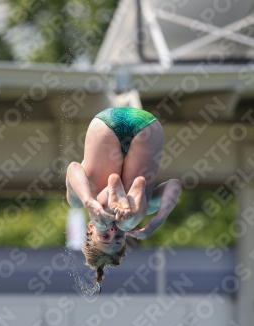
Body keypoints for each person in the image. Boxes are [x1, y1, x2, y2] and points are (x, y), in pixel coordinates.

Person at [66, 107, 182, 290]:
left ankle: (116, 188)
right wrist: (159, 218)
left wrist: (89, 201)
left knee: (83, 201)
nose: (113, 231)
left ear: (90, 229)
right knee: (129, 219)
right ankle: (129, 192)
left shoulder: (79, 200)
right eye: (119, 237)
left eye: (105, 236)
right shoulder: (147, 207)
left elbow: (73, 167)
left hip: (106, 126)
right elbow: (174, 185)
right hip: (146, 128)